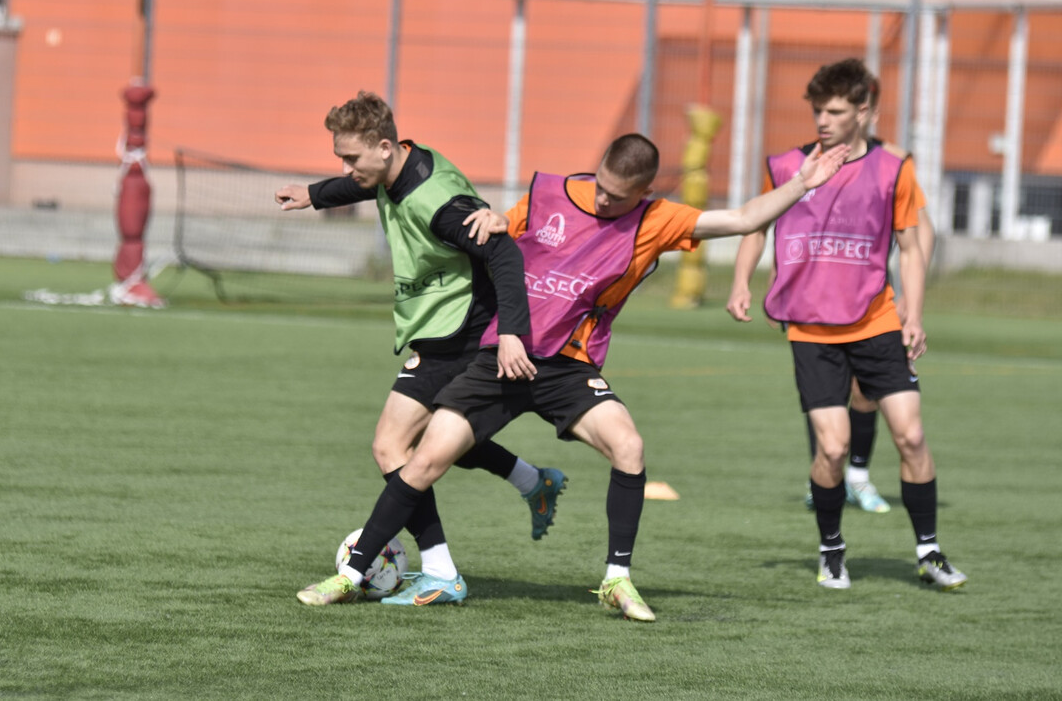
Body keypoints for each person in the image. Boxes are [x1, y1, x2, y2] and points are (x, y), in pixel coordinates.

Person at [295, 132, 849, 620]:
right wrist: (491, 218)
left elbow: (745, 218)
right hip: (500, 356)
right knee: (423, 459)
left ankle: (616, 579)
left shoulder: (657, 220)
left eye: (617, 195)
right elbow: (496, 232)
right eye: (602, 186)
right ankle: (351, 574)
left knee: (629, 446)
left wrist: (803, 182)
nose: (604, 199)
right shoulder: (551, 192)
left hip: (568, 367)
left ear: (644, 191)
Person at [275, 91, 566, 606]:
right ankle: (531, 481)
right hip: (439, 327)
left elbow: (503, 254)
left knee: (394, 447)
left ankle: (420, 570)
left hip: (461, 336)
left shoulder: (441, 203)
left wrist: (511, 335)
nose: (345, 166)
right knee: (439, 440)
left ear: (385, 146)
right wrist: (318, 194)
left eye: (351, 158)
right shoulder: (397, 166)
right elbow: (368, 184)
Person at [725, 58, 966, 591]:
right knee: (831, 450)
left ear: (863, 111)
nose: (823, 121)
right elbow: (756, 224)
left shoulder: (892, 170)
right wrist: (741, 281)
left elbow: (910, 247)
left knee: (912, 435)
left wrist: (915, 315)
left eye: (834, 111)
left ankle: (928, 552)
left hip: (877, 321)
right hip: (811, 330)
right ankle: (831, 549)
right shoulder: (787, 165)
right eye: (817, 111)